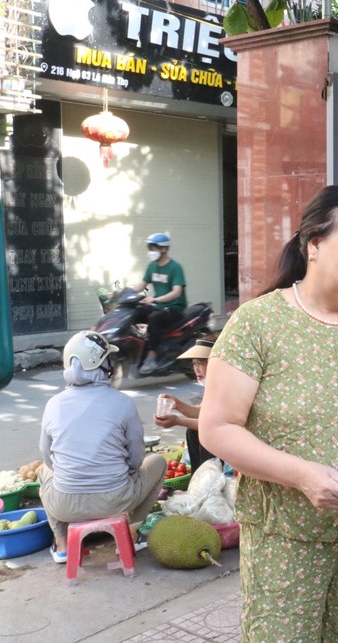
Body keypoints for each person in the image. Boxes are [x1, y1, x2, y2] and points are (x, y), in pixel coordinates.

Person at [197, 185, 338, 643]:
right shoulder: (258, 323)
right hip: (285, 538)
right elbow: (217, 428)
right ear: (315, 244)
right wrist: (302, 475)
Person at [38, 331, 167, 563]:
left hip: (64, 505)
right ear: (101, 364)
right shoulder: (123, 402)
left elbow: (47, 457)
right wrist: (117, 475)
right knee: (157, 461)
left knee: (43, 471)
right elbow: (137, 458)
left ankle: (62, 544)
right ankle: (131, 532)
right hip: (116, 500)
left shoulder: (53, 404)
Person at [152, 338, 217, 472]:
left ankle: (207, 480)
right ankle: (197, 477)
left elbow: (212, 425)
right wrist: (177, 404)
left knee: (197, 431)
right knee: (192, 430)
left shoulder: (223, 387)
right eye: (194, 364)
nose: (196, 369)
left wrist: (178, 420)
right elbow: (202, 413)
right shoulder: (211, 385)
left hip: (229, 443)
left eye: (201, 364)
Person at [132, 232, 187, 374]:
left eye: (153, 248)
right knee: (135, 312)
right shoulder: (152, 266)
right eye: (149, 248)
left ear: (163, 249)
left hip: (175, 308)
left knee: (154, 318)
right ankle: (137, 350)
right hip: (159, 306)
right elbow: (141, 284)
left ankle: (151, 356)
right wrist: (125, 293)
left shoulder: (175, 267)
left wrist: (155, 299)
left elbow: (177, 292)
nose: (150, 251)